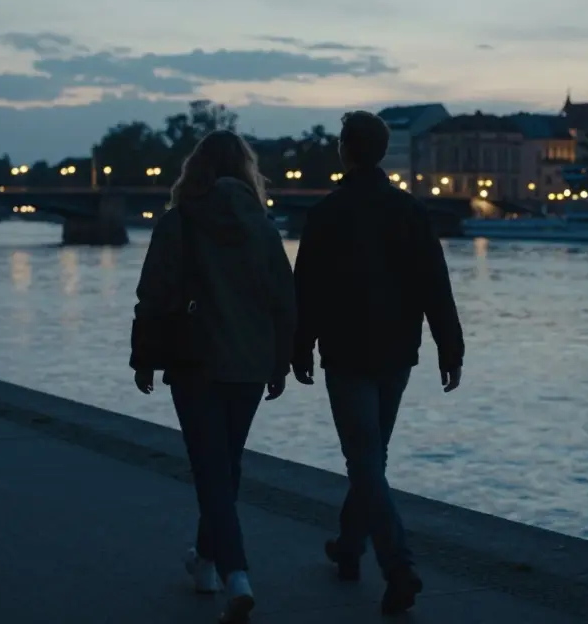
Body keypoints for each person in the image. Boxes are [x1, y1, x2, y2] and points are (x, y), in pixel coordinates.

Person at [291, 111, 464, 615]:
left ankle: (398, 567)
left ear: (346, 149)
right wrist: (449, 348)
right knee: (372, 458)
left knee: (365, 460)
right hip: (396, 352)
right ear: (383, 152)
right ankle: (349, 546)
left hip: (345, 353)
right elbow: (436, 283)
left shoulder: (327, 213)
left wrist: (299, 348)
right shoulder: (408, 210)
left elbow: (306, 289)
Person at [130, 130, 296, 623]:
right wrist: (281, 361)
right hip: (248, 364)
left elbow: (153, 295)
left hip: (195, 361)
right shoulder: (263, 228)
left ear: (195, 168)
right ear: (246, 171)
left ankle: (236, 575)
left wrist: (143, 357)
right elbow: (283, 301)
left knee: (210, 470)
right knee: (226, 468)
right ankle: (204, 564)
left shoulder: (178, 222)